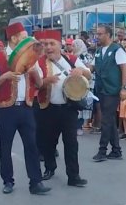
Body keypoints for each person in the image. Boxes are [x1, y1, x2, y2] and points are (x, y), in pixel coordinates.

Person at [0, 23, 49, 195]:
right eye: (23, 36)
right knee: (5, 146)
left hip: (26, 106)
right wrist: (5, 77)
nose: (27, 39)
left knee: (31, 145)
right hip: (6, 109)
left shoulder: (31, 56)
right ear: (14, 38)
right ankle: (8, 180)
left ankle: (36, 182)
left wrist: (33, 70)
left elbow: (40, 83)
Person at [35, 29, 89, 187]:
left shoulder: (71, 59)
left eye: (52, 44)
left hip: (69, 109)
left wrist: (82, 71)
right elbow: (35, 84)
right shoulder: (39, 63)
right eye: (46, 44)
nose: (48, 47)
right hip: (48, 108)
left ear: (60, 45)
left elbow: (89, 74)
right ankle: (50, 168)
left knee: (71, 143)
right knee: (48, 142)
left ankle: (74, 176)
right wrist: (46, 81)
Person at [92, 24, 126, 162]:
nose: (97, 36)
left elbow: (124, 69)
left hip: (112, 90)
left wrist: (123, 88)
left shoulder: (117, 50)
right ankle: (116, 150)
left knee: (106, 120)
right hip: (101, 88)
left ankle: (102, 150)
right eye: (97, 34)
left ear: (108, 35)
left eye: (100, 34)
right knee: (110, 120)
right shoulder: (99, 51)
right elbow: (93, 67)